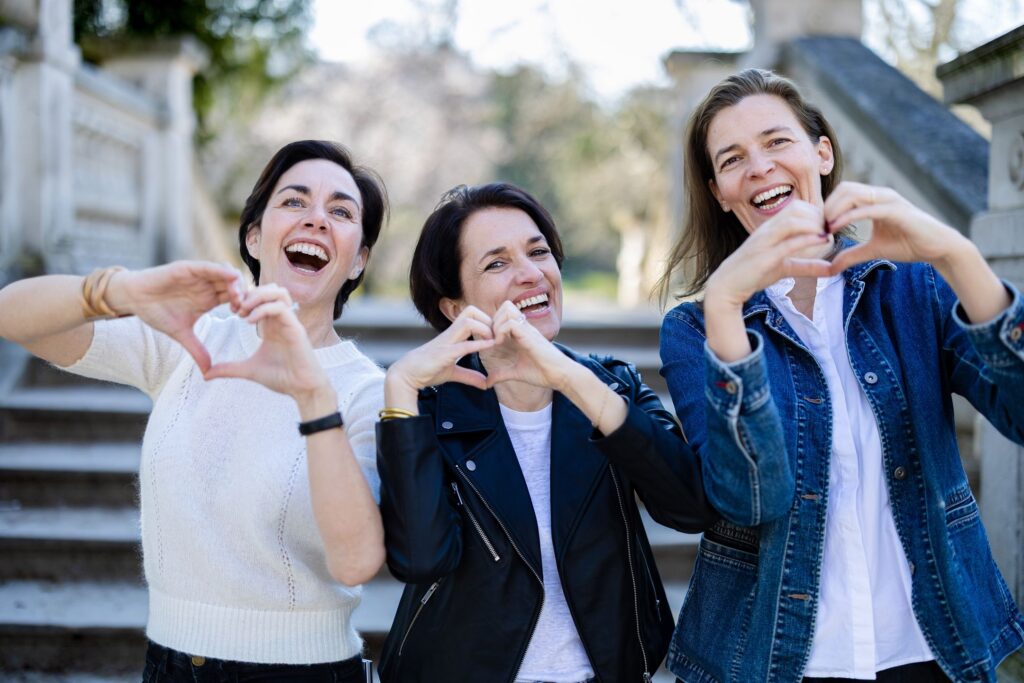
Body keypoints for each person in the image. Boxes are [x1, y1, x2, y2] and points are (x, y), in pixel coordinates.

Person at [657, 68, 1024, 683]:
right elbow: (750, 499)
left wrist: (958, 257)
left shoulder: (909, 287)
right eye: (732, 158)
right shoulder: (696, 328)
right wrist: (725, 307)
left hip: (932, 645)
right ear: (720, 190)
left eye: (778, 142)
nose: (759, 167)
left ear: (820, 153)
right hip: (774, 658)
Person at [0, 140, 390, 681]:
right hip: (170, 663)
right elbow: (13, 317)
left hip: (305, 671)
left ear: (358, 261)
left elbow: (355, 562)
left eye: (341, 212)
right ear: (255, 236)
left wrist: (312, 397)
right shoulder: (195, 337)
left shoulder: (369, 392)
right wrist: (118, 290)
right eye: (295, 202)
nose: (317, 219)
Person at [374, 182, 716, 682]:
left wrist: (569, 379)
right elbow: (421, 558)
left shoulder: (609, 387)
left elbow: (689, 507)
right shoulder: (430, 411)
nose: (531, 273)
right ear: (454, 307)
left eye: (539, 252)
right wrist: (400, 385)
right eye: (497, 263)